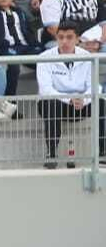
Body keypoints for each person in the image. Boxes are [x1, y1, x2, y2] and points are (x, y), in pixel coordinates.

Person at [36, 20, 106, 168]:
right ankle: (51, 155)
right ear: (56, 38)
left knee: (101, 103)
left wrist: (84, 100)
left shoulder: (88, 56)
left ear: (77, 39)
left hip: (81, 104)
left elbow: (94, 86)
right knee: (51, 103)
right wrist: (69, 99)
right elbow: (46, 89)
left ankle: (102, 153)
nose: (64, 41)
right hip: (56, 103)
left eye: (69, 37)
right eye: (61, 37)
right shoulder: (44, 57)